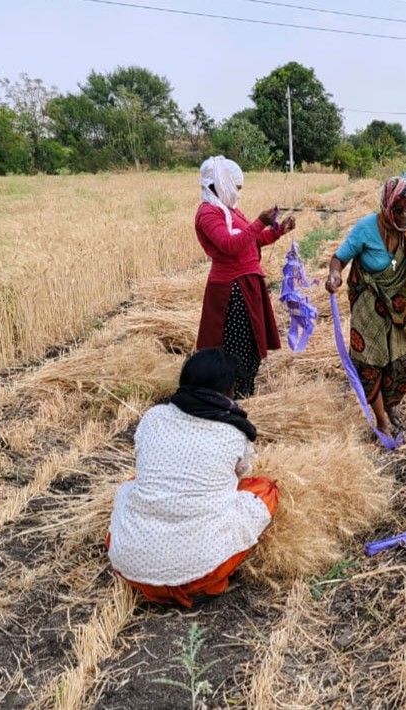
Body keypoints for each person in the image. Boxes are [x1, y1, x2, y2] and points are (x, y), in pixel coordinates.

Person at [107, 348, 279, 608]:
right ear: (228, 390)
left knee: (132, 484)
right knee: (264, 490)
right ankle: (201, 583)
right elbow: (242, 474)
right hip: (202, 571)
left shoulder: (153, 417)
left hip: (131, 565)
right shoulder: (233, 432)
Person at [325, 175, 406, 435]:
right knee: (371, 363)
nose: (405, 216)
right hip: (369, 306)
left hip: (402, 308)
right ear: (387, 205)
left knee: (402, 364)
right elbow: (338, 259)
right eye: (398, 210)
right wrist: (334, 275)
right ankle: (381, 419)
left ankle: (390, 405)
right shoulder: (366, 228)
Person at [194, 156, 295, 398]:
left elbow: (254, 239)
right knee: (236, 349)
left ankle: (245, 395)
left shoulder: (229, 210)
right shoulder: (208, 214)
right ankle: (234, 399)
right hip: (231, 290)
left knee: (250, 346)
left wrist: (279, 230)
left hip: (247, 284)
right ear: (220, 183)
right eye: (236, 187)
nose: (238, 193)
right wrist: (260, 221)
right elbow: (229, 245)